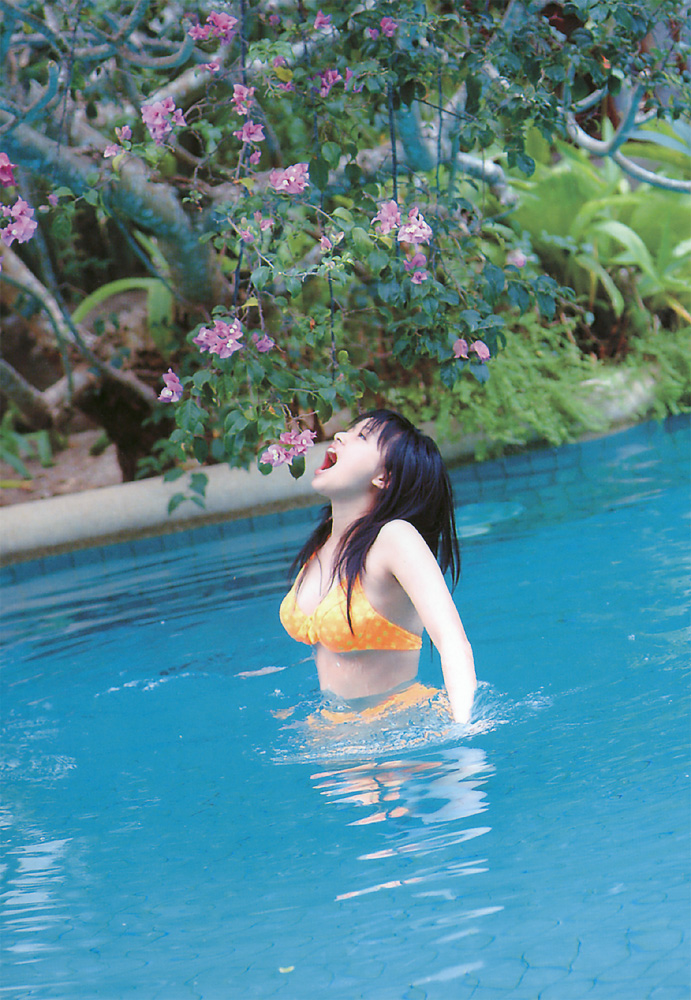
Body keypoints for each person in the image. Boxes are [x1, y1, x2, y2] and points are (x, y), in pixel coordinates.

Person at [279, 409, 477, 724]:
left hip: (397, 734)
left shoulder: (395, 539)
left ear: (384, 477)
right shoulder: (322, 545)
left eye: (361, 436)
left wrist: (464, 734)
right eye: (348, 430)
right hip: (327, 735)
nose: (339, 436)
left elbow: (453, 642)